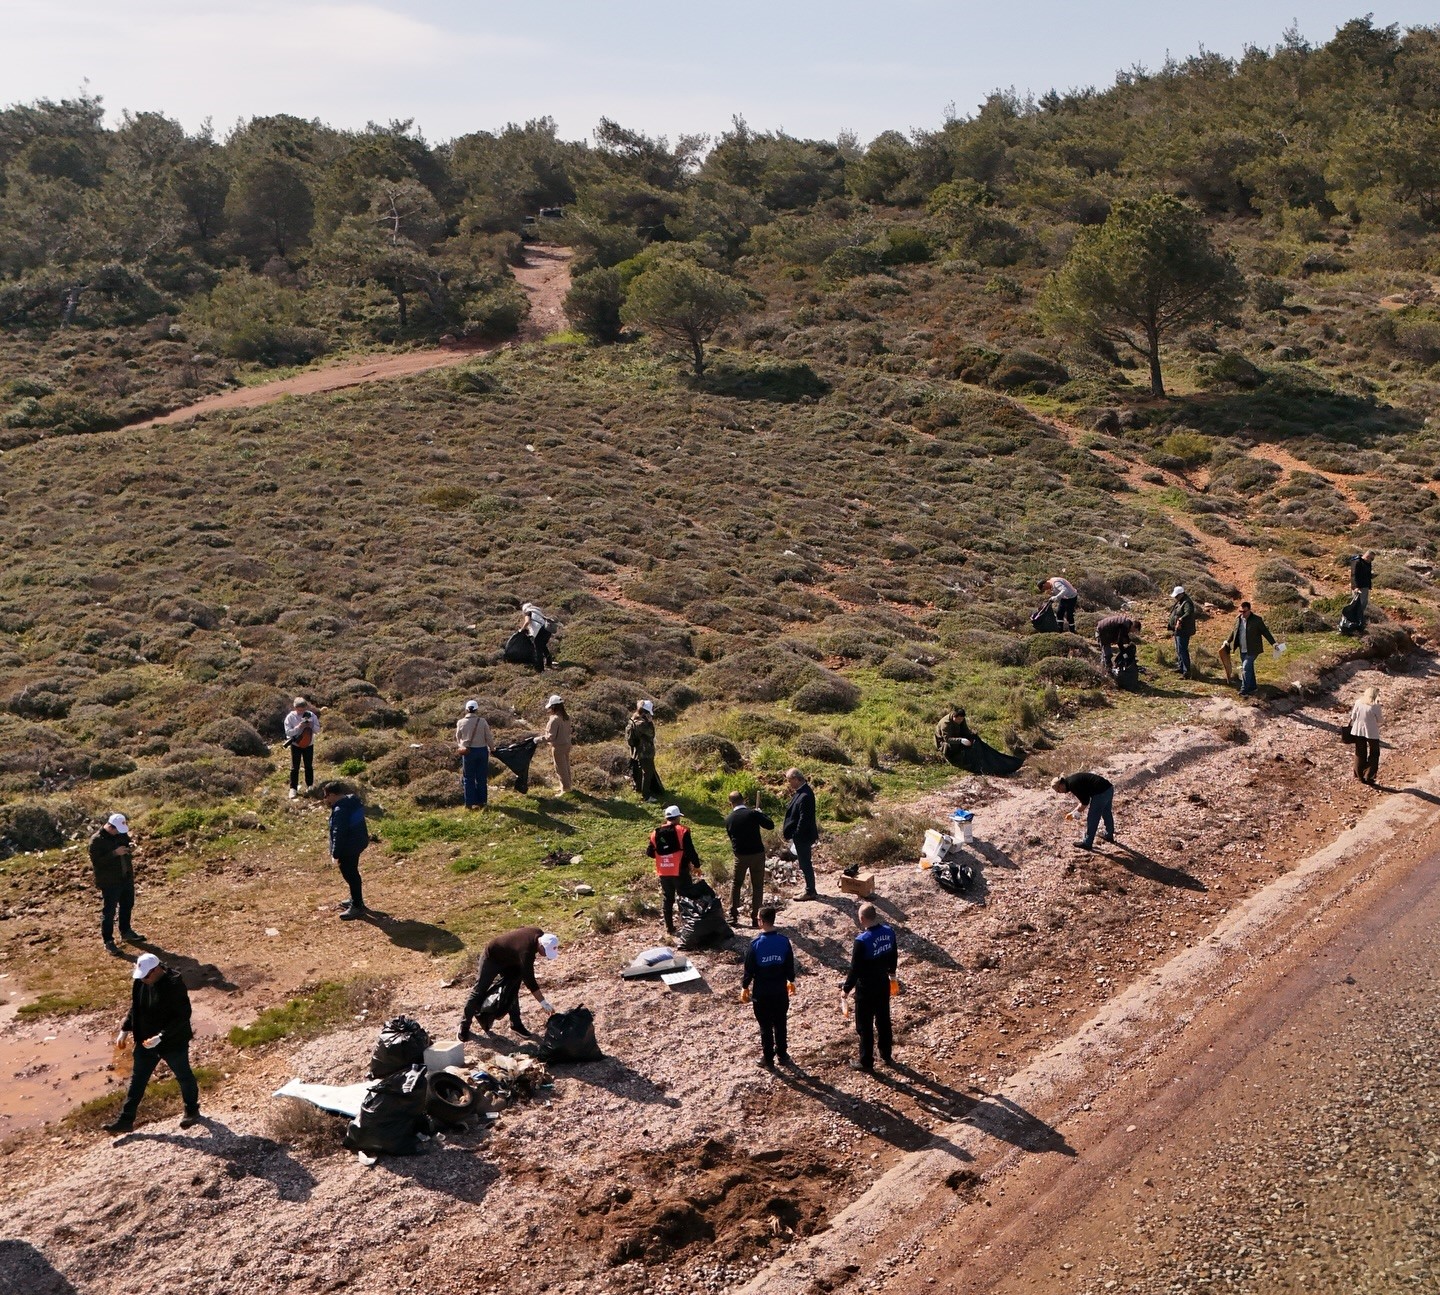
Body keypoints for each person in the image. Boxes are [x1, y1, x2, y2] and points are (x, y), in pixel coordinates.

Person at [102, 953, 200, 1134]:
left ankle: (192, 1111)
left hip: (172, 1042)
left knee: (184, 1075)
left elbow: (182, 1016)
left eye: (146, 975)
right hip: (145, 1041)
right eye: (141, 976)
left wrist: (162, 1036)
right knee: (138, 1080)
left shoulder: (174, 985)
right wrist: (125, 1029)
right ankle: (126, 1120)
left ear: (156, 970)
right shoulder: (141, 980)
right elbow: (136, 1007)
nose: (143, 979)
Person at [459, 927, 559, 1041]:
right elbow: (530, 981)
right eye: (546, 952)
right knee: (478, 991)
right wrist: (544, 1003)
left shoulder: (539, 934)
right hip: (492, 957)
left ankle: (516, 1024)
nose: (546, 955)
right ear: (541, 945)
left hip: (512, 959)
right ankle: (464, 1025)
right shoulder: (526, 951)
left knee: (512, 989)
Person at [840, 903, 897, 1073]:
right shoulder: (889, 931)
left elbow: (855, 968)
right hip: (882, 982)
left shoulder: (862, 941)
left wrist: (846, 988)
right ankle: (886, 1054)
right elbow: (893, 954)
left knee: (864, 1026)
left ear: (862, 919)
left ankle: (866, 1061)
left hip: (865, 988)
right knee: (883, 1020)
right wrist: (892, 974)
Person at [741, 906, 795, 1069]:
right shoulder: (784, 941)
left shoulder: (755, 945)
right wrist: (790, 980)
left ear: (762, 922)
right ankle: (783, 1055)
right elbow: (789, 965)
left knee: (765, 1026)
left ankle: (768, 1059)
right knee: (780, 1023)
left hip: (762, 992)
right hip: (780, 991)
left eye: (758, 919)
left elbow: (748, 969)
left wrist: (745, 986)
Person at [90, 812, 145, 952]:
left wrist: (130, 847)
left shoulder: (120, 834)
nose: (120, 833)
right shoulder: (97, 840)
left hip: (125, 877)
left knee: (127, 904)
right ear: (110, 827)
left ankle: (126, 931)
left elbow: (126, 844)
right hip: (110, 882)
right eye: (118, 831)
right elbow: (97, 862)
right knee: (109, 911)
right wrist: (114, 853)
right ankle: (108, 940)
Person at [646, 805, 700, 935]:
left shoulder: (655, 833)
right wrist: (696, 865)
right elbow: (690, 850)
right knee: (685, 898)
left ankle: (669, 928)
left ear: (666, 818)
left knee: (668, 899)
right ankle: (688, 926)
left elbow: (649, 852)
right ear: (677, 818)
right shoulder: (683, 831)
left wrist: (663, 856)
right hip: (680, 870)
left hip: (664, 872)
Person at [725, 790, 774, 927]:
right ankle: (756, 918)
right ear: (744, 800)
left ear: (731, 803)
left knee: (736, 884)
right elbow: (770, 825)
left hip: (740, 856)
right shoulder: (753, 814)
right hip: (757, 854)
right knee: (757, 886)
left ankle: (732, 915)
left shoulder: (729, 819)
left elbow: (731, 837)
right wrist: (760, 814)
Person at [322, 782, 371, 919]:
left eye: (326, 796)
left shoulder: (340, 810)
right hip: (357, 843)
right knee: (353, 872)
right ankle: (356, 900)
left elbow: (339, 833)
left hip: (348, 847)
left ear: (332, 795)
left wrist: (335, 853)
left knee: (350, 874)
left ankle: (356, 905)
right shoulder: (352, 802)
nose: (326, 799)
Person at [934, 707, 1025, 776]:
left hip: (957, 737)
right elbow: (948, 739)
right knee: (953, 749)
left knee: (975, 741)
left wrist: (971, 737)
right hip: (945, 743)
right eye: (958, 720)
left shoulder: (961, 719)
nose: (960, 721)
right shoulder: (945, 724)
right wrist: (961, 740)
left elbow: (965, 731)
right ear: (954, 716)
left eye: (962, 719)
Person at [1223, 601, 1276, 698]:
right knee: (1249, 668)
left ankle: (1244, 690)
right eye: (1240, 611)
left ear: (1249, 610)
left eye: (1244, 611)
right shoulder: (1238, 619)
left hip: (1253, 650)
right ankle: (1253, 687)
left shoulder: (1257, 620)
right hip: (1243, 649)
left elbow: (1265, 632)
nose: (1242, 613)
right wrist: (1227, 641)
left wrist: (1274, 643)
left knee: (1246, 668)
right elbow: (1233, 631)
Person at [1052, 772, 1115, 851]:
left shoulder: (1073, 784)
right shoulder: (1071, 781)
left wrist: (1077, 813)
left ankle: (1087, 843)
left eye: (1058, 791)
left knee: (1092, 818)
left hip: (1100, 793)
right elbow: (1084, 800)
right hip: (1108, 789)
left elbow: (1085, 802)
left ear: (1061, 785)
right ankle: (1109, 835)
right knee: (1106, 813)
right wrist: (1073, 812)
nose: (1061, 793)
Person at [782, 768, 820, 900]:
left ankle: (810, 891)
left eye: (790, 780)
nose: (789, 783)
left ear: (797, 779)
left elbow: (804, 819)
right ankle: (809, 889)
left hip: (803, 836)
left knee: (805, 863)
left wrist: (797, 834)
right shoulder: (801, 792)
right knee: (804, 863)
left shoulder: (805, 795)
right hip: (801, 836)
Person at [455, 699, 494, 811]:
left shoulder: (460, 722)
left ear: (466, 709)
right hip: (482, 751)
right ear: (476, 710)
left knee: (468, 778)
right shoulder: (482, 721)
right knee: (481, 778)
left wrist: (462, 745)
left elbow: (458, 737)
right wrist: (492, 748)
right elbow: (488, 737)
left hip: (468, 752)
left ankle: (469, 803)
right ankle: (482, 802)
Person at [626, 700, 664, 803]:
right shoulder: (643, 724)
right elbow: (651, 734)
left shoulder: (633, 718)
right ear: (645, 712)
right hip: (645, 752)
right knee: (647, 773)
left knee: (639, 771)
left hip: (635, 751)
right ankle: (646, 796)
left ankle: (639, 789)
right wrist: (650, 722)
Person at [283, 697, 321, 800]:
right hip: (296, 745)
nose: (301, 712)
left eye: (303, 709)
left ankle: (310, 786)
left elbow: (318, 730)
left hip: (309, 744)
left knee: (308, 765)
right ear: (295, 708)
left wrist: (311, 725)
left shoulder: (311, 715)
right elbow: (288, 733)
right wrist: (299, 727)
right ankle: (293, 788)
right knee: (295, 767)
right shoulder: (290, 717)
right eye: (299, 709)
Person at [536, 694, 573, 794]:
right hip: (567, 744)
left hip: (558, 747)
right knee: (566, 766)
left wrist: (537, 740)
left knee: (560, 768)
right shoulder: (566, 717)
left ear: (554, 707)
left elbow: (550, 737)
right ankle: (567, 786)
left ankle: (565, 789)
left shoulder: (554, 720)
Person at [1348, 685, 1382, 785]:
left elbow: (1353, 716)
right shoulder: (1375, 705)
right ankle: (1369, 775)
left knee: (1360, 753)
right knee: (1374, 753)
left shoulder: (1358, 702)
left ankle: (1359, 774)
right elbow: (1380, 720)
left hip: (1358, 730)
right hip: (1371, 732)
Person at [1167, 586, 1197, 678]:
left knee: (1182, 650)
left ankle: (1186, 672)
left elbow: (1188, 613)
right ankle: (1181, 667)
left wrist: (1180, 620)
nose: (1175, 598)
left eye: (1176, 596)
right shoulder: (1181, 601)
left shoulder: (1187, 602)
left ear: (1181, 594)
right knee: (1179, 649)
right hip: (1178, 630)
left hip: (1183, 630)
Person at [518, 603, 554, 672]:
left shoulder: (528, 612)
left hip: (540, 632)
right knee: (543, 646)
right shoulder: (537, 612)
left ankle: (540, 669)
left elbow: (527, 622)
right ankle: (549, 662)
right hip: (547, 630)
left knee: (538, 649)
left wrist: (521, 630)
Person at [1349, 552, 1374, 628]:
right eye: (1371, 558)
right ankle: (1352, 620)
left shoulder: (1367, 563)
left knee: (1364, 603)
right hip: (1359, 587)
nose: (1372, 560)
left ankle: (1358, 620)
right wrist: (1355, 587)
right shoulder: (1357, 562)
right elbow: (1354, 575)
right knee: (1357, 603)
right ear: (1367, 556)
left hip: (1365, 586)